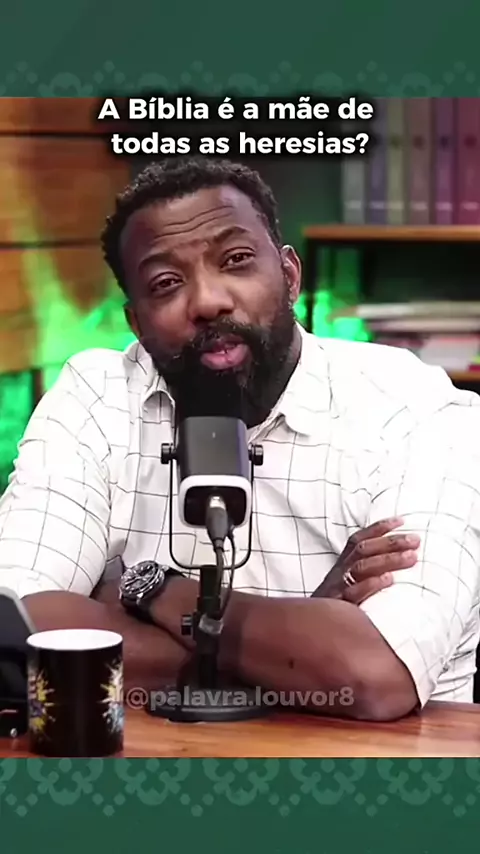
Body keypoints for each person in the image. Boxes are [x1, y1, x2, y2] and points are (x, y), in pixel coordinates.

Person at [0, 156, 479, 721]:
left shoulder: (413, 407)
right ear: (137, 323)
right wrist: (300, 639)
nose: (208, 301)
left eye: (236, 260)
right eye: (166, 283)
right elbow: (16, 633)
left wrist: (153, 592)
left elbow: (373, 677)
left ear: (291, 276)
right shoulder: (97, 397)